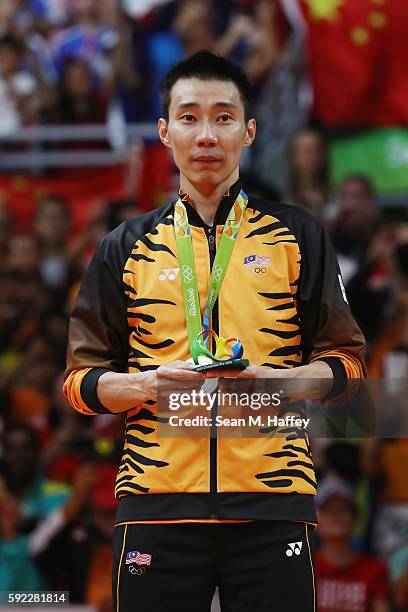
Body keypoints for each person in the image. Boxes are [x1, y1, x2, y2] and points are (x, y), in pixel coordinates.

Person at [63, 50, 366, 611]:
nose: (206, 134)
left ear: (249, 132)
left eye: (224, 117)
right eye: (190, 116)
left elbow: (347, 367)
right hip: (156, 502)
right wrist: (149, 385)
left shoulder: (297, 236)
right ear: (164, 131)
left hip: (272, 506)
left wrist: (274, 385)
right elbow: (80, 381)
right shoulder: (124, 246)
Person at [315, 478, 390, 612]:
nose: (337, 515)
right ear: (314, 520)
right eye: (328, 510)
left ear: (355, 518)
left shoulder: (375, 569)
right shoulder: (305, 568)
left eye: (344, 509)